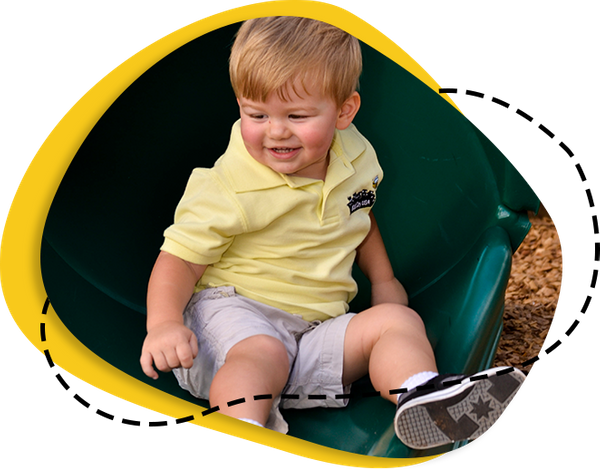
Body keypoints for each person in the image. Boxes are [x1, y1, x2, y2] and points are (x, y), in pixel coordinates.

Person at [139, 16, 525, 449]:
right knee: (262, 351)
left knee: (397, 321)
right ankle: (243, 428)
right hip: (229, 328)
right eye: (256, 114)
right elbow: (180, 259)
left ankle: (421, 395)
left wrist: (384, 281)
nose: (276, 130)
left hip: (309, 339)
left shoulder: (355, 155)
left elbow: (358, 216)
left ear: (344, 111)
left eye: (297, 115)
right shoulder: (229, 184)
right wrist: (165, 325)